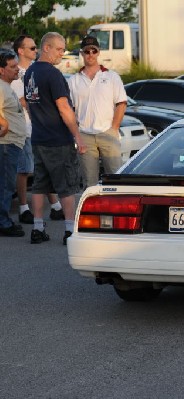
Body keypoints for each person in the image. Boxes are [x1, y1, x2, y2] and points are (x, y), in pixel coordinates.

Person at [24, 32, 87, 245]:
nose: (62, 54)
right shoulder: (52, 74)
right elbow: (63, 107)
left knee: (40, 185)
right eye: (59, 49)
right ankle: (70, 231)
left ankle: (38, 228)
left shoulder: (30, 72)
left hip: (39, 138)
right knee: (66, 184)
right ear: (47, 48)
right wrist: (77, 136)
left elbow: (30, 106)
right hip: (57, 139)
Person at [11, 34, 64, 224]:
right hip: (23, 128)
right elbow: (18, 101)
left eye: (36, 48)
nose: (36, 50)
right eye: (32, 48)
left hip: (39, 128)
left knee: (45, 167)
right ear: (20, 50)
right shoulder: (15, 73)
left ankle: (56, 206)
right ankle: (24, 208)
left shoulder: (35, 71)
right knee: (24, 169)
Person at [68, 36, 127, 189]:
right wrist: (77, 135)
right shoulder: (74, 80)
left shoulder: (111, 76)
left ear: (99, 52)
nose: (91, 54)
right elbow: (70, 110)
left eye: (94, 50)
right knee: (89, 183)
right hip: (85, 135)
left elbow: (121, 103)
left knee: (115, 179)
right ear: (82, 53)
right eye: (87, 51)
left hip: (108, 132)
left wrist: (114, 128)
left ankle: (117, 213)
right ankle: (92, 213)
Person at [0, 50, 27, 237]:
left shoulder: (6, 86)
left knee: (6, 185)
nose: (17, 69)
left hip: (12, 144)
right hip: (6, 145)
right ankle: (3, 223)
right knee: (5, 186)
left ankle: (4, 220)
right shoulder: (0, 87)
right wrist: (3, 123)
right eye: (12, 66)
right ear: (1, 70)